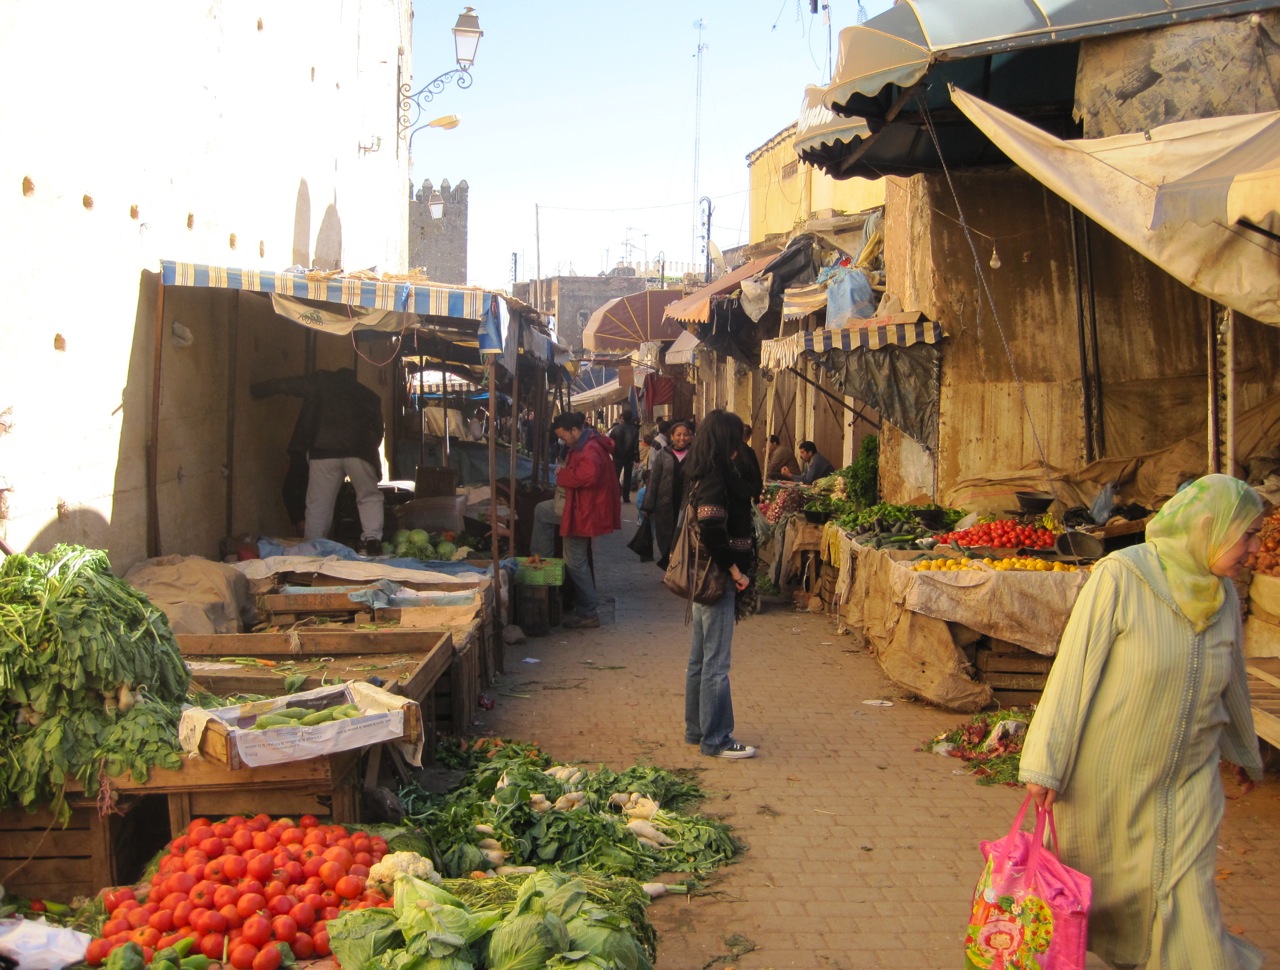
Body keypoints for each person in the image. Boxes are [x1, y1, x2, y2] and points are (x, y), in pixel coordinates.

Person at [1019, 474, 1265, 970]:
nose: (1255, 550)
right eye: (1247, 535)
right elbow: (1073, 673)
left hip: (1191, 778)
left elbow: (1233, 679)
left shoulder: (1223, 595)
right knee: (1107, 886)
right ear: (1208, 526)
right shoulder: (1122, 576)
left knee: (1188, 891)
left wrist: (1243, 750)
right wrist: (1045, 764)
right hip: (1111, 777)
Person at [681, 409, 758, 759]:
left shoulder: (703, 471)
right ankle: (716, 739)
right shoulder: (714, 475)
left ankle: (696, 730)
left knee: (700, 659)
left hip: (704, 576)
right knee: (715, 664)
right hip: (716, 577)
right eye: (736, 438)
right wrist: (736, 572)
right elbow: (712, 528)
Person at [251, 368, 385, 556]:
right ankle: (372, 541)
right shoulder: (369, 395)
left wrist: (259, 389)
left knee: (318, 502)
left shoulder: (320, 382)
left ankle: (312, 546)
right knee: (368, 495)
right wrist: (366, 451)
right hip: (360, 450)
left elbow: (290, 385)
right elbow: (378, 431)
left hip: (323, 450)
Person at [530, 411, 621, 629]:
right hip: (580, 506)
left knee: (575, 561)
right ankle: (543, 562)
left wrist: (563, 476)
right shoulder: (585, 444)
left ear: (574, 430)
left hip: (583, 510)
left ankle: (588, 611)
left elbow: (589, 475)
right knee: (543, 512)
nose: (563, 441)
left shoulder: (589, 448)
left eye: (563, 436)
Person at [643, 421, 692, 570]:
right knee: (665, 536)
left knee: (683, 536)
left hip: (685, 503)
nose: (682, 438)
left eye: (685, 435)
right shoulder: (663, 455)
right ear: (672, 436)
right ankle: (668, 567)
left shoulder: (694, 455)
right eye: (678, 435)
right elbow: (654, 480)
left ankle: (678, 569)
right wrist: (648, 505)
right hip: (664, 504)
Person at [609, 409, 640, 503]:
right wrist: (637, 458)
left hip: (617, 456)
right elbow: (635, 445)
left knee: (615, 476)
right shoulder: (634, 430)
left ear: (622, 418)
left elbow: (610, 442)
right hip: (628, 456)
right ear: (630, 418)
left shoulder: (616, 429)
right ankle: (626, 497)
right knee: (627, 477)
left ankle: (615, 495)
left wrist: (612, 453)